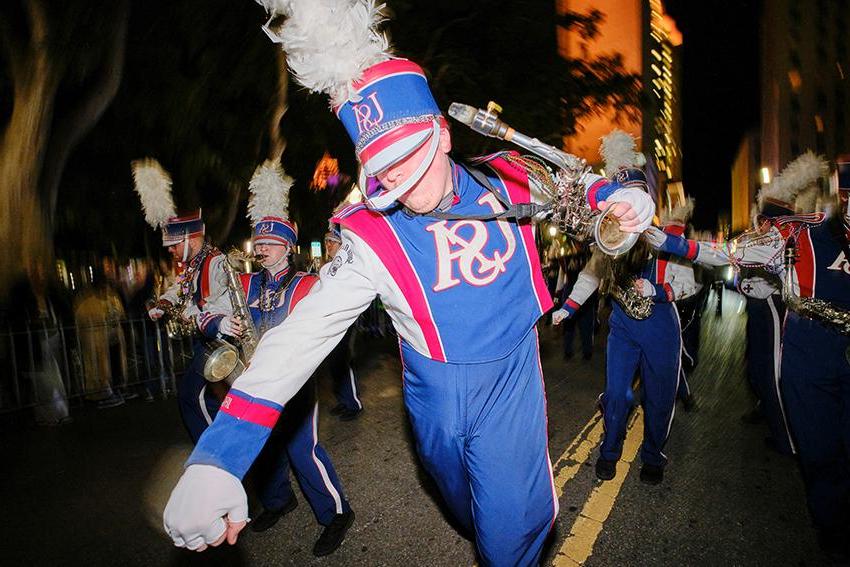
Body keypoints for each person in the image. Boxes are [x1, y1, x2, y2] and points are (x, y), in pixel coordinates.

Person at [162, 2, 654, 564]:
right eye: (379, 165)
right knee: (461, 502)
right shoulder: (371, 234)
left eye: (405, 156)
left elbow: (571, 184)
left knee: (510, 528)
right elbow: (296, 342)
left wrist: (617, 199)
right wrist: (218, 458)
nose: (393, 179)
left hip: (511, 374)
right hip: (433, 394)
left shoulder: (509, 175)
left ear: (442, 134)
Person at [553, 131, 728, 485]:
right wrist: (567, 310)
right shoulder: (608, 240)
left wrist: (660, 288)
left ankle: (653, 455)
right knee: (616, 393)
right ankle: (609, 452)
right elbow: (589, 276)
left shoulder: (661, 238)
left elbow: (697, 277)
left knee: (660, 396)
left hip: (661, 326)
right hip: (622, 325)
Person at [228, 162, 354, 555]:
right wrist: (223, 323)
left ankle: (336, 513)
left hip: (296, 380)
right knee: (264, 446)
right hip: (255, 378)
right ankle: (280, 501)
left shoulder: (306, 284)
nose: (261, 248)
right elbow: (213, 310)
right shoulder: (245, 284)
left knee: (303, 450)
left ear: (287, 247)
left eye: (269, 243)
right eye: (258, 243)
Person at [730, 153, 848, 559]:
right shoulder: (790, 232)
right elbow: (738, 263)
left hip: (807, 333)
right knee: (768, 375)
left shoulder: (807, 231)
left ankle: (788, 438)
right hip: (801, 339)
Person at [132, 159, 241, 442]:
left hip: (222, 343)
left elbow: (224, 305)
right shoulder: (192, 266)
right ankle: (222, 447)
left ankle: (215, 452)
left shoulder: (217, 263)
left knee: (194, 397)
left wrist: (191, 313)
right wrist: (164, 304)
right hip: (204, 341)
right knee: (212, 400)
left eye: (173, 246)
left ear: (191, 240)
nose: (170, 252)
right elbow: (178, 289)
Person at [323, 222, 363, 420]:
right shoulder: (327, 266)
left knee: (343, 362)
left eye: (332, 241)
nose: (328, 245)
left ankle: (353, 404)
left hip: (346, 320)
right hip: (331, 322)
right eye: (327, 241)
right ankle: (343, 400)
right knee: (333, 364)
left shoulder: (348, 265)